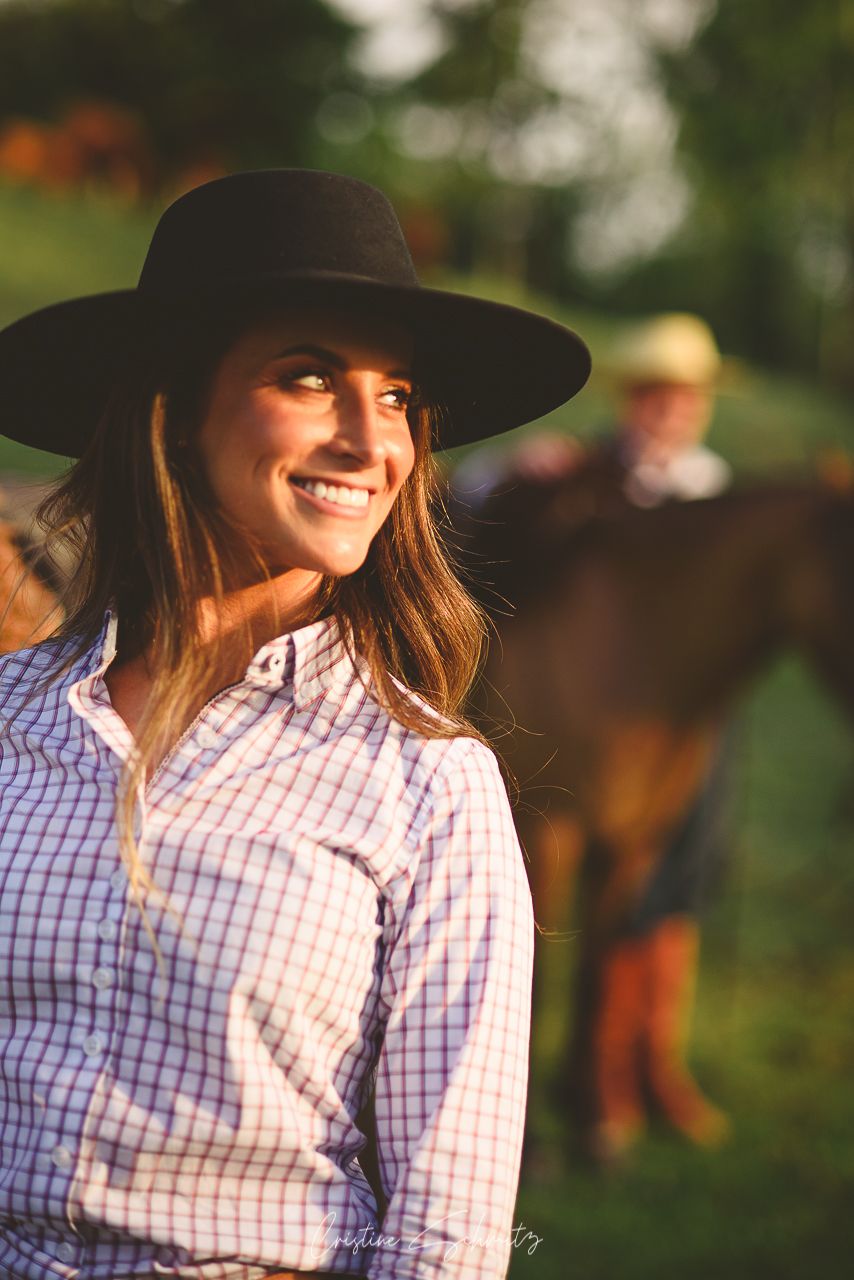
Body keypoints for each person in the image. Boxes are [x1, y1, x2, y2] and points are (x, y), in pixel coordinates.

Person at [0, 169, 590, 1280]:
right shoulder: (8, 720)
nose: (372, 441)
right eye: (310, 377)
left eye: (398, 396)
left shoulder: (427, 779)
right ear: (175, 410)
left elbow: (449, 1227)